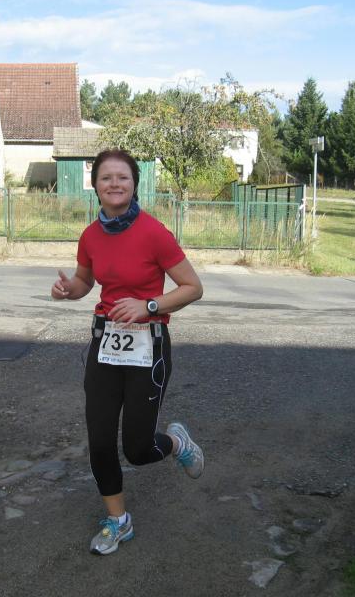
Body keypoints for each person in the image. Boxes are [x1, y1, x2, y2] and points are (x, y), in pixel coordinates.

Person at [50, 149, 204, 555]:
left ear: (135, 184)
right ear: (95, 185)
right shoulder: (90, 235)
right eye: (106, 177)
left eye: (122, 177)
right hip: (106, 344)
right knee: (100, 441)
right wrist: (68, 290)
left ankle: (177, 443)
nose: (114, 184)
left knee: (138, 449)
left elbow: (193, 288)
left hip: (148, 346)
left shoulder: (154, 233)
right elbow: (85, 282)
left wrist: (148, 306)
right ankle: (118, 521)